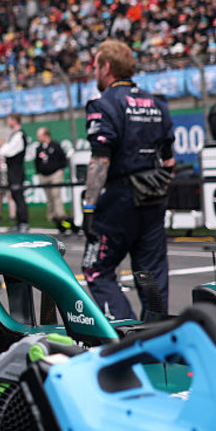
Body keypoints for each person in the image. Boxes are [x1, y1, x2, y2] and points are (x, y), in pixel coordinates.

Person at [81, 39, 174, 321]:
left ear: (106, 67)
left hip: (120, 200)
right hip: (154, 197)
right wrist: (155, 190)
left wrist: (88, 208)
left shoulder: (103, 103)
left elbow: (100, 159)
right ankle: (156, 338)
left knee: (95, 268)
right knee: (152, 273)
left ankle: (124, 336)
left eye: (96, 65)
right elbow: (169, 161)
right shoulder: (157, 103)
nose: (93, 71)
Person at [34, 127, 71, 234]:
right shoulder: (39, 148)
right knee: (49, 197)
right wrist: (39, 172)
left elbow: (63, 159)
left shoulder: (55, 145)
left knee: (56, 195)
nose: (38, 137)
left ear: (46, 135)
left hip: (55, 174)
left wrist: (60, 169)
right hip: (44, 176)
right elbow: (36, 161)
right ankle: (52, 217)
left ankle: (61, 216)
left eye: (40, 135)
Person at [0, 113, 30, 232]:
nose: (8, 122)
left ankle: (24, 222)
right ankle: (19, 222)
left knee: (19, 197)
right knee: (15, 197)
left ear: (14, 120)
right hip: (13, 171)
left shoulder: (19, 135)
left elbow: (7, 151)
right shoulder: (14, 135)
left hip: (17, 171)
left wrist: (2, 150)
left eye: (9, 120)